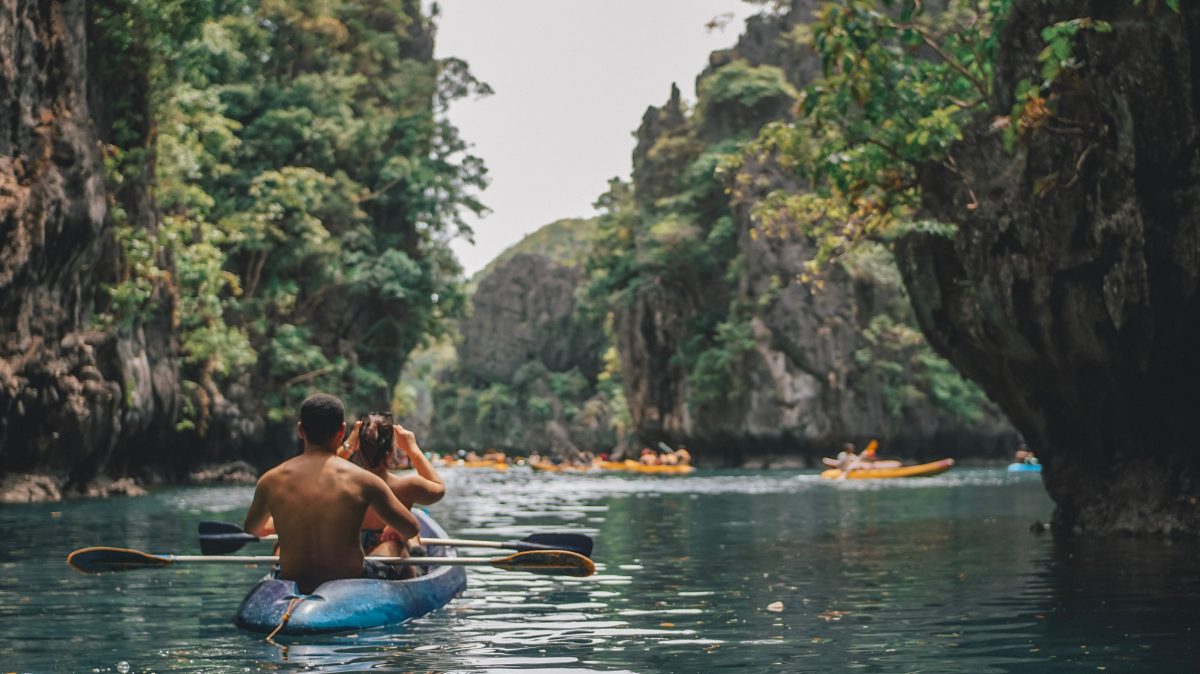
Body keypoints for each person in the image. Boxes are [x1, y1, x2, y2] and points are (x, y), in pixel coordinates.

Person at [243, 393, 420, 594]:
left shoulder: (270, 480)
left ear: (301, 430)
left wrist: (282, 522)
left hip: (294, 581)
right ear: (342, 431)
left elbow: (252, 528)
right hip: (350, 580)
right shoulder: (364, 480)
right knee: (396, 546)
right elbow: (411, 528)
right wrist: (394, 530)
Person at [339, 412, 446, 564]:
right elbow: (439, 489)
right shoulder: (408, 486)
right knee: (404, 554)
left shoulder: (340, 484)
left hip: (351, 562)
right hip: (391, 565)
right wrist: (413, 450)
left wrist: (348, 444)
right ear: (391, 452)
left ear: (358, 447)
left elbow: (322, 468)